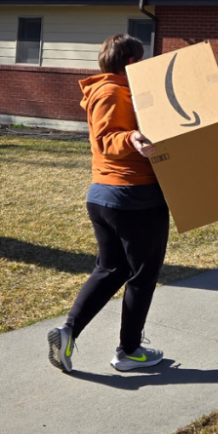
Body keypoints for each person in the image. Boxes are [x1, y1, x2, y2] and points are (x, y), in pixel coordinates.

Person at [48, 34, 170, 373]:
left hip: (107, 197)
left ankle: (67, 332)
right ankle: (129, 351)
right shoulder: (113, 92)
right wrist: (131, 138)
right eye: (141, 60)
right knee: (143, 275)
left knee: (112, 269)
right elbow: (106, 138)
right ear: (131, 62)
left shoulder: (111, 91)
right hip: (133, 198)